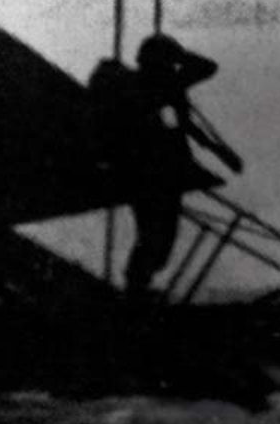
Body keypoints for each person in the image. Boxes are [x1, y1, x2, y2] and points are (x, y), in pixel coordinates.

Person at [92, 33, 235, 296]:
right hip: (153, 173)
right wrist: (179, 56)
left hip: (155, 172)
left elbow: (185, 123)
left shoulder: (153, 84)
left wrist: (218, 151)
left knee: (157, 237)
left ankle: (137, 285)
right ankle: (136, 287)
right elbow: (207, 67)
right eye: (167, 61)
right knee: (156, 235)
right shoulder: (154, 85)